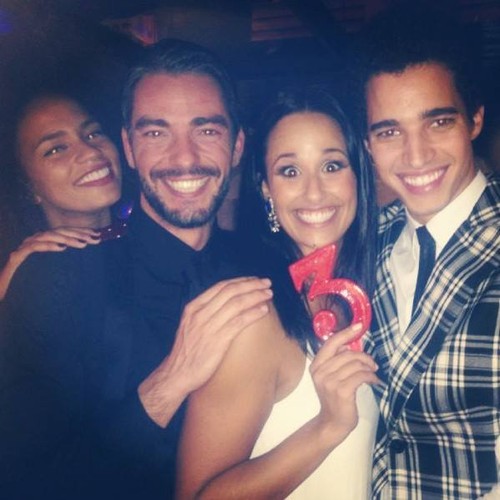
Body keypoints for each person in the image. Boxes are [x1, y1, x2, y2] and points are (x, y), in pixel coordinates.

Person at [1, 51, 271, 499]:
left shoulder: (265, 268)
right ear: (129, 147)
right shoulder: (57, 279)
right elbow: (24, 481)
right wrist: (170, 382)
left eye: (206, 130)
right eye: (156, 132)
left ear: (237, 145)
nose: (184, 158)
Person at [176, 88, 380, 499]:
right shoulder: (254, 319)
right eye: (289, 171)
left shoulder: (355, 294)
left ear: (358, 175)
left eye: (332, 165)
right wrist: (327, 427)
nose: (314, 192)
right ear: (266, 189)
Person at [359, 4, 500, 498]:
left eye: (438, 122)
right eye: (389, 131)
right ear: (368, 144)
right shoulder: (365, 243)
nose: (415, 156)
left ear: (475, 119)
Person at [0, 93, 126, 301]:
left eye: (93, 134)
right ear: (29, 186)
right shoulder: (38, 280)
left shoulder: (151, 238)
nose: (91, 152)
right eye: (56, 149)